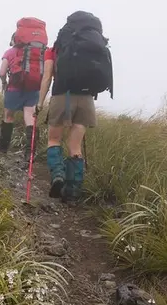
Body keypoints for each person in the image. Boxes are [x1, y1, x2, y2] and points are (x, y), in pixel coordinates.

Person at [37, 11, 113, 203]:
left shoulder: (56, 48)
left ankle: (58, 176)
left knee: (54, 140)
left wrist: (39, 102)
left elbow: (47, 77)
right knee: (75, 146)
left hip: (63, 95)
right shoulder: (95, 44)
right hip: (87, 99)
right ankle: (72, 192)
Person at [0, 18, 48, 159]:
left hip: (13, 88)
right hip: (33, 88)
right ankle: (30, 154)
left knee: (8, 116)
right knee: (30, 118)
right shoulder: (40, 53)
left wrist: (4, 83)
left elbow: (2, 72)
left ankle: (3, 149)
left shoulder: (10, 52)